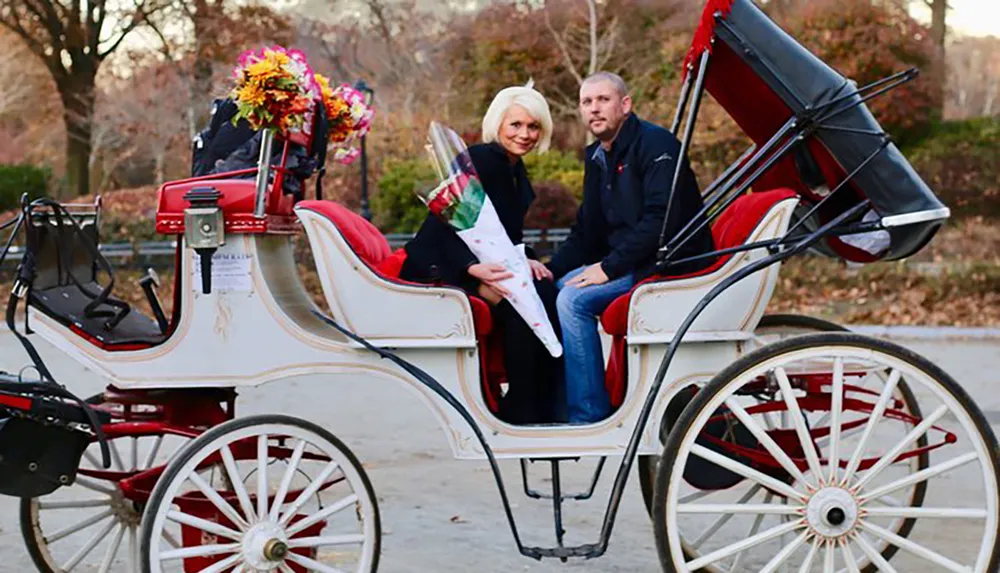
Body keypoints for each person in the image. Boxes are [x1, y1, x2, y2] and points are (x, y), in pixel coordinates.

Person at [547, 72, 715, 424]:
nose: (594, 109)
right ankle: (556, 404)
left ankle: (588, 417)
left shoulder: (657, 145)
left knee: (572, 301)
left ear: (625, 105)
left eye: (603, 100)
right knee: (551, 290)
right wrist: (550, 269)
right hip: (631, 260)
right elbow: (587, 231)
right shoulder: (597, 156)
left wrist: (606, 268)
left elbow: (660, 222)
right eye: (587, 102)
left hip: (669, 262)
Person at [400, 82, 563, 425]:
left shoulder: (514, 168)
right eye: (515, 125)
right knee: (522, 299)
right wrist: (472, 270)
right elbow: (443, 227)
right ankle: (521, 406)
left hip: (480, 263)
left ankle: (543, 402)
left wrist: (527, 256)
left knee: (547, 289)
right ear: (498, 124)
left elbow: (504, 233)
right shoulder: (482, 160)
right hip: (441, 263)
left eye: (533, 126)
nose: (525, 134)